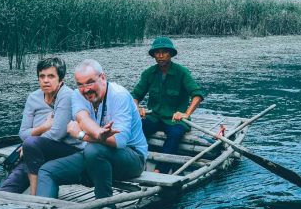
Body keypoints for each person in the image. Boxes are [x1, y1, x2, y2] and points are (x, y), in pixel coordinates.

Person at [35, 60, 149, 199]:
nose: (85, 89)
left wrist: (83, 135)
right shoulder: (78, 94)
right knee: (47, 170)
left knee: (93, 150)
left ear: (102, 78)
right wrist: (98, 134)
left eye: (90, 82)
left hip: (133, 158)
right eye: (80, 84)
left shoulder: (119, 95)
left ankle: (105, 203)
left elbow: (119, 142)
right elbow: (82, 118)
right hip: (95, 155)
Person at [1, 57, 78, 194]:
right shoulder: (33, 97)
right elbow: (23, 133)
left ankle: (34, 197)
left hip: (66, 151)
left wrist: (31, 144)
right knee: (7, 189)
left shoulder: (67, 96)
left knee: (30, 145)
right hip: (35, 153)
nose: (45, 80)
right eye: (41, 76)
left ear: (60, 80)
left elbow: (57, 134)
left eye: (51, 76)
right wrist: (44, 127)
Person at [132, 37, 204, 173]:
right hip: (154, 116)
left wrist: (186, 114)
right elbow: (135, 95)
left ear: (170, 54)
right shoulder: (149, 73)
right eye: (157, 52)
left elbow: (197, 95)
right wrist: (137, 107)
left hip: (175, 119)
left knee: (175, 134)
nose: (160, 56)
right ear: (153, 55)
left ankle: (160, 170)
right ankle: (135, 162)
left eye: (164, 52)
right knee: (136, 127)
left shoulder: (182, 72)